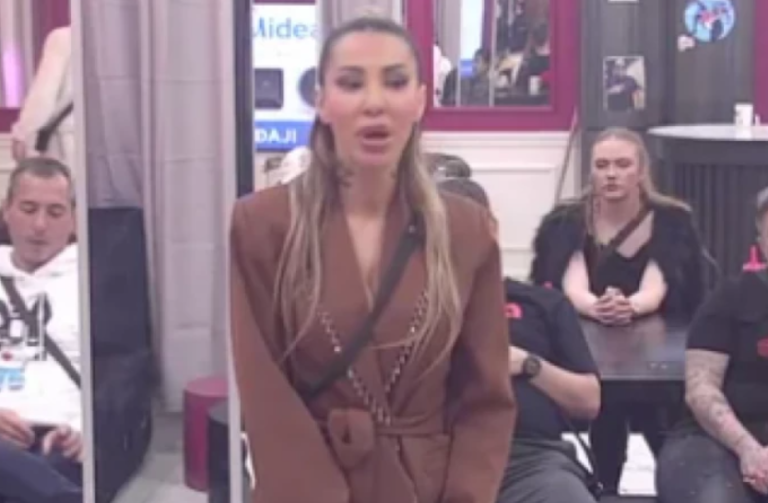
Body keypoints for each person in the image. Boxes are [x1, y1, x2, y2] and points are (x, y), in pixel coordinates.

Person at [229, 16, 516, 503]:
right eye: (351, 83)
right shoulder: (263, 224)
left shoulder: (466, 231)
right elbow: (265, 392)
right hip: (308, 487)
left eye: (396, 82)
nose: (375, 102)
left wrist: (465, 495)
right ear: (321, 100)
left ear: (420, 100)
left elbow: (485, 396)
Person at [529, 127, 705, 494]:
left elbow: (659, 283)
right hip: (586, 338)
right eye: (602, 165)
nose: (611, 174)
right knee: (604, 410)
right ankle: (604, 488)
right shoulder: (566, 221)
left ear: (641, 170)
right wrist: (598, 307)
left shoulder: (672, 220)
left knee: (659, 420)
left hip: (657, 343)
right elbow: (571, 282)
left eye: (622, 164)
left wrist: (630, 305)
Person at [438, 178, 601, 503]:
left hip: (529, 460)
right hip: (437, 457)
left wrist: (528, 365)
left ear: (492, 229)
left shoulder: (542, 303)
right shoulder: (408, 308)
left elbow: (588, 402)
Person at [656, 187, 768, 503]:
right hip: (714, 439)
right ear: (761, 241)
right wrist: (749, 450)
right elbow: (701, 389)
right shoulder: (729, 298)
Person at [0, 157, 81, 503]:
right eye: (28, 208)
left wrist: (85, 430)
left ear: (74, 220)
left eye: (55, 212)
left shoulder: (95, 278)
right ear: (6, 211)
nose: (39, 225)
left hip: (57, 437)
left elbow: (121, 373)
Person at [11, 27, 74, 170]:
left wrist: (22, 133)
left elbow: (44, 94)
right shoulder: (121, 41)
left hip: (68, 141)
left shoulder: (64, 38)